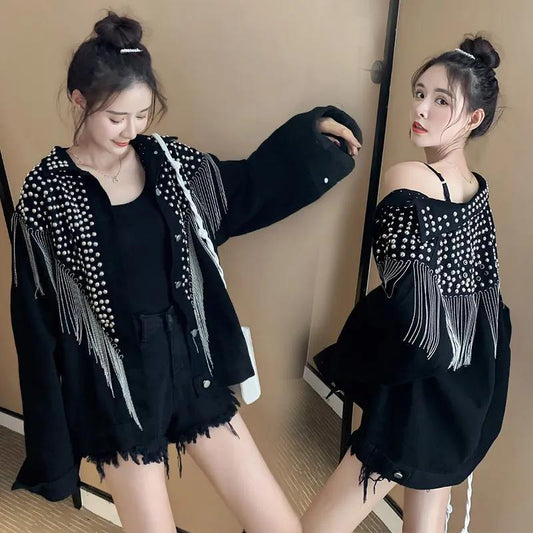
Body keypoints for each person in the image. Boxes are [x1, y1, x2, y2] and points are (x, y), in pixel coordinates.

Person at [9, 11, 362, 533]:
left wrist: (311, 140)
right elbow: (34, 322)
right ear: (79, 101)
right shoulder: (48, 191)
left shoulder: (167, 163)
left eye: (142, 114)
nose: (131, 130)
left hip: (192, 365)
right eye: (116, 117)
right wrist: (52, 443)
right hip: (120, 389)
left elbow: (244, 188)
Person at [305, 35, 511, 533]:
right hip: (468, 376)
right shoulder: (476, 188)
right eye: (420, 93)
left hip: (422, 379)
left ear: (474, 118)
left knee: (319, 526)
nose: (421, 109)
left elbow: (407, 301)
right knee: (426, 520)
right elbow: (483, 296)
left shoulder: (408, 177)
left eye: (441, 100)